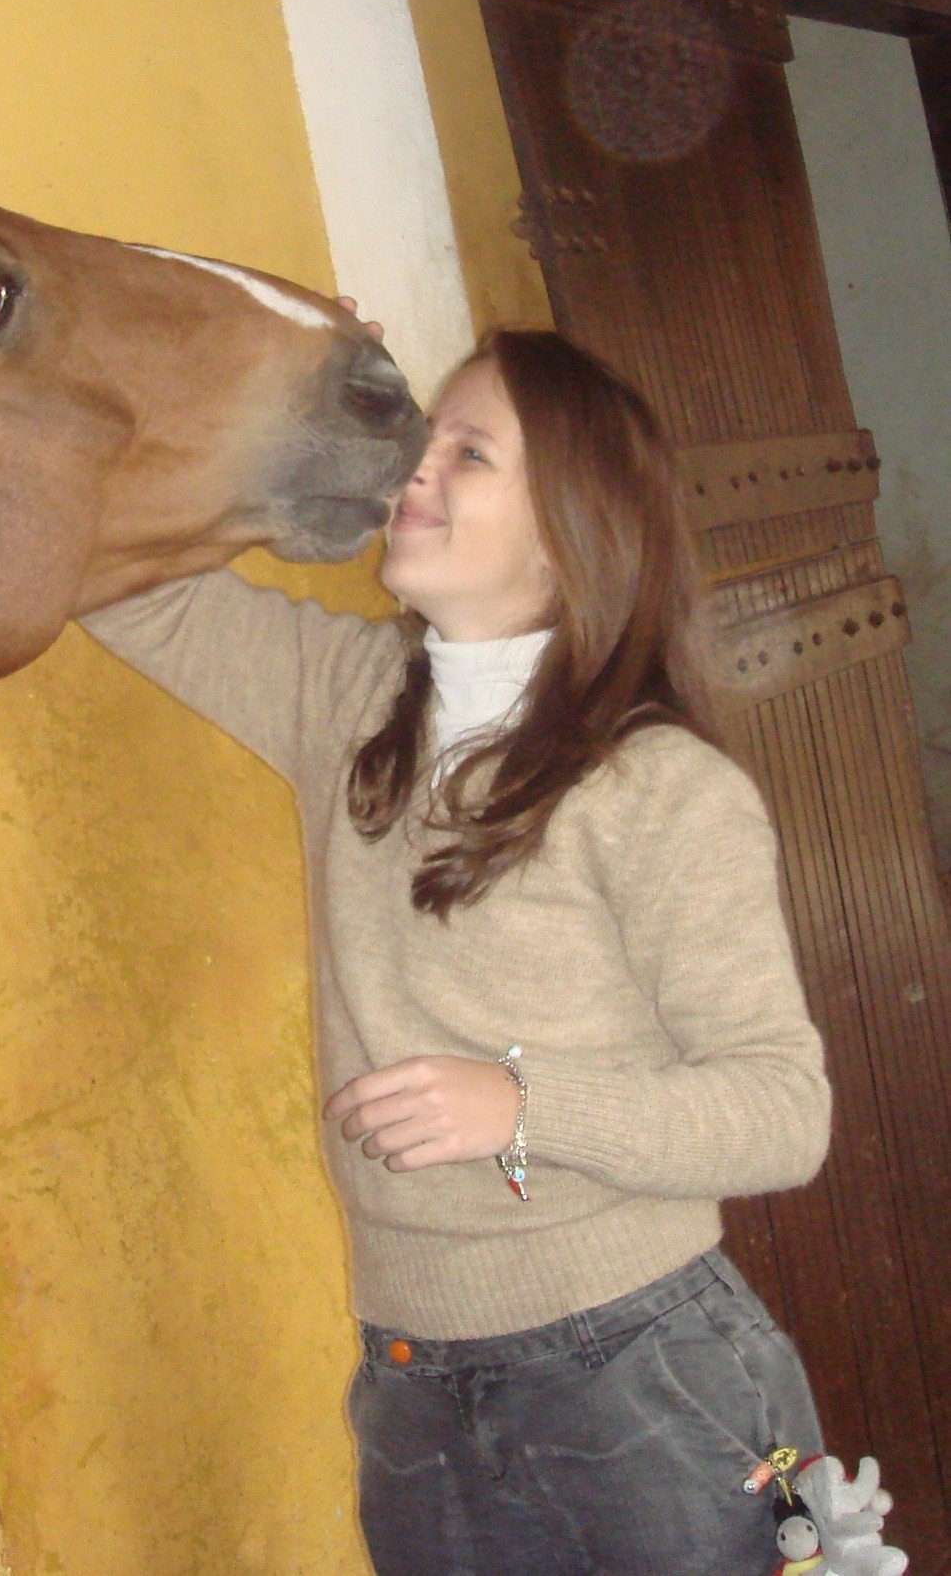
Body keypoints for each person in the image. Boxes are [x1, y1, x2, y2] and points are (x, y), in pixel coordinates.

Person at [81, 329, 832, 1575]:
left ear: (566, 534)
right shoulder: (351, 701)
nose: (412, 471)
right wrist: (264, 385)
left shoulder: (662, 789)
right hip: (413, 1374)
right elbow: (122, 578)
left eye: (466, 452)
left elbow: (782, 1111)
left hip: (647, 1370)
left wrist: (522, 1105)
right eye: (423, 441)